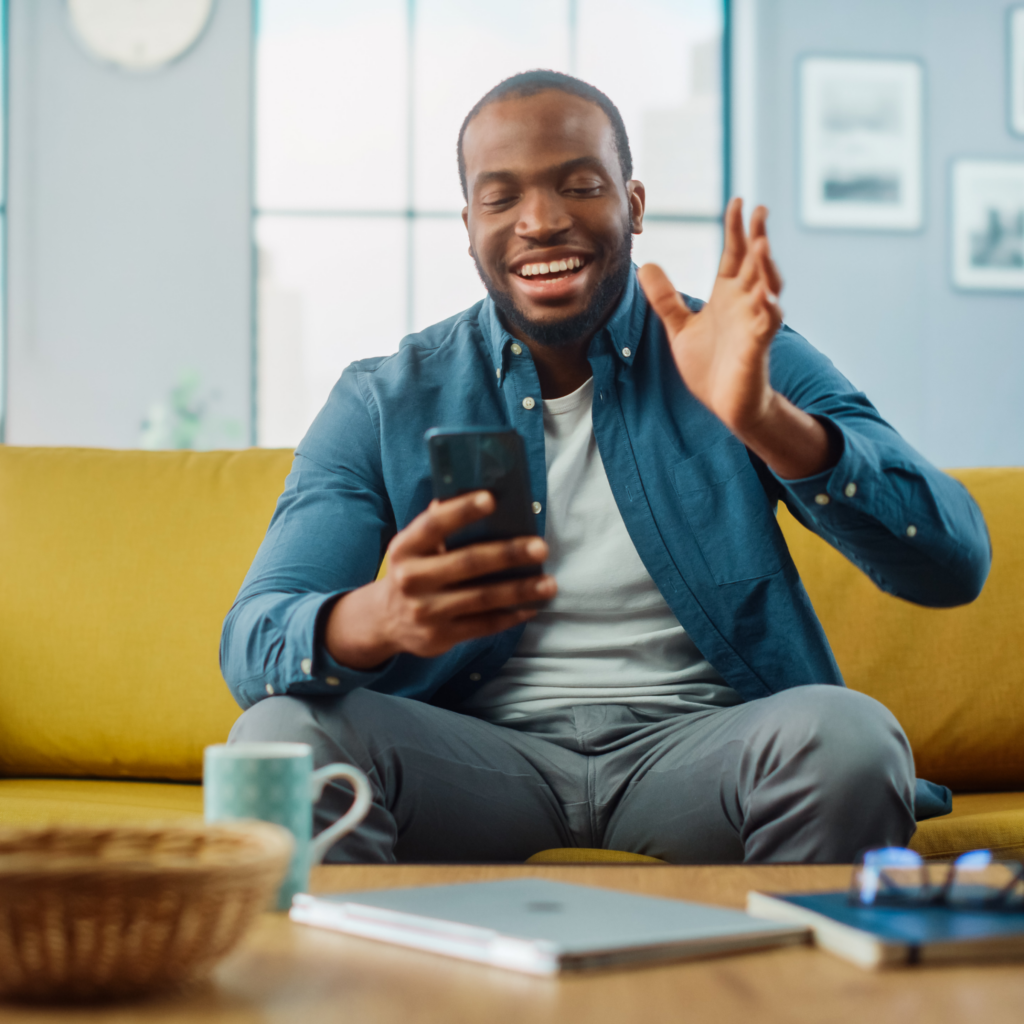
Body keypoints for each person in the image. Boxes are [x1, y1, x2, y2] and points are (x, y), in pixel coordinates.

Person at [221, 70, 990, 864]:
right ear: (469, 224)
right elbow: (252, 643)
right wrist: (378, 617)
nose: (542, 221)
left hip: (702, 757)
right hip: (474, 762)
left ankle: (788, 988)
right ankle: (359, 987)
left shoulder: (734, 354)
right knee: (278, 736)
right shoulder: (385, 399)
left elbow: (955, 561)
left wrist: (769, 424)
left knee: (851, 738)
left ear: (634, 203)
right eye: (502, 197)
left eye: (580, 186)